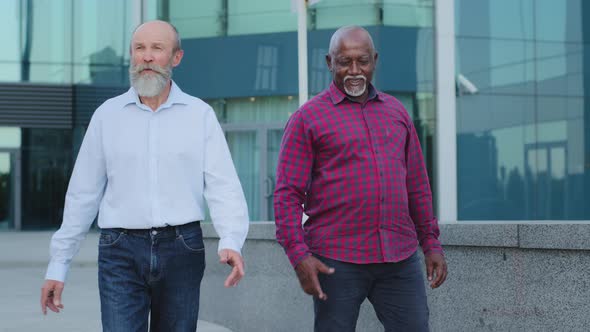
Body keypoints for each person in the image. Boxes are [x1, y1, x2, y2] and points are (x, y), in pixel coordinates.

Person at [40, 20, 249, 331]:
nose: (147, 57)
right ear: (131, 56)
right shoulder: (106, 116)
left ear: (176, 58)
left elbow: (223, 186)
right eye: (140, 48)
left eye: (157, 48)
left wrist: (231, 240)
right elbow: (83, 194)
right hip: (119, 251)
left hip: (182, 249)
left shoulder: (199, 115)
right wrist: (58, 265)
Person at [274, 26, 448, 332]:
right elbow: (287, 194)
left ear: (375, 61)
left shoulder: (397, 113)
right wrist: (298, 255)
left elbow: (417, 186)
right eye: (344, 61)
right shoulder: (307, 118)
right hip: (336, 260)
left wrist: (430, 242)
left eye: (363, 61)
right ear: (329, 62)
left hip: (399, 258)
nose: (354, 70)